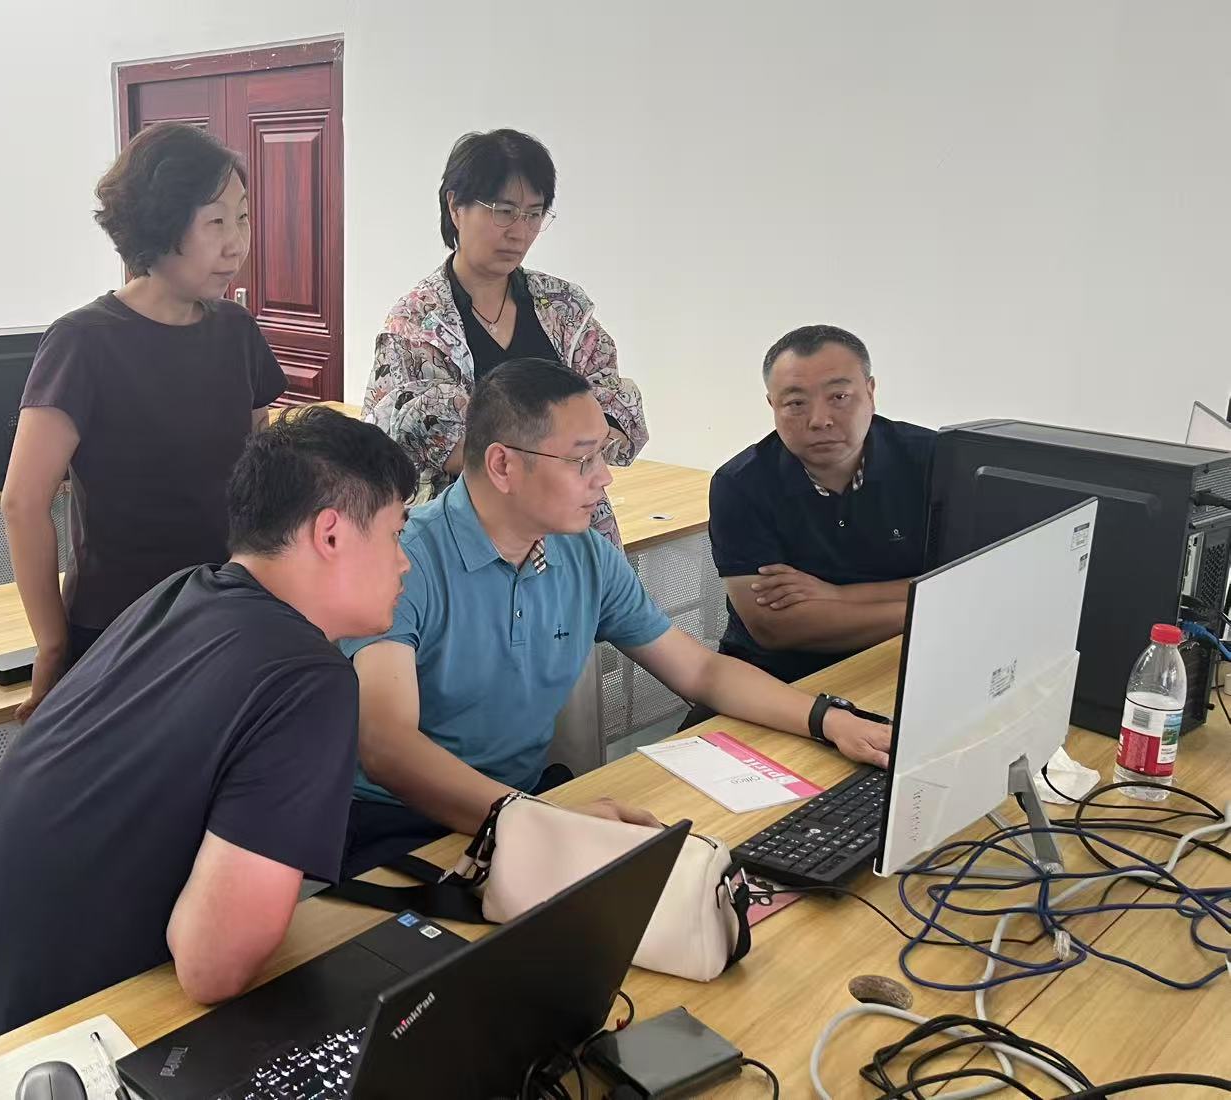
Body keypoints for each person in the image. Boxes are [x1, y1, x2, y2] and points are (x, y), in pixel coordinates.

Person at [0, 409, 415, 1063]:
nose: (405, 562)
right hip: (52, 1055)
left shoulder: (181, 593)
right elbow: (213, 968)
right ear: (330, 534)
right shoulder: (309, 680)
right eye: (395, 533)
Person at [341, 359, 892, 876]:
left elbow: (701, 671)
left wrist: (830, 720)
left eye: (603, 455)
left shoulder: (583, 555)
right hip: (400, 823)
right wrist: (539, 821)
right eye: (583, 460)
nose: (604, 478)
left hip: (522, 805)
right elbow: (388, 746)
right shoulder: (405, 560)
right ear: (503, 465)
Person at [3, 122, 286, 720]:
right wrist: (52, 643)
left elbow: (257, 473)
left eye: (243, 218)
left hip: (224, 616)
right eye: (216, 222)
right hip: (119, 631)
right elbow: (22, 503)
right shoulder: (84, 341)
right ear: (160, 225)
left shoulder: (236, 332)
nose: (237, 244)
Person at [363, 128, 647, 546]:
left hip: (574, 531)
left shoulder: (563, 307)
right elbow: (422, 438)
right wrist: (570, 446)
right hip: (463, 540)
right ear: (455, 206)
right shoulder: (417, 323)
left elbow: (614, 410)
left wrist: (551, 448)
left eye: (534, 214)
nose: (520, 231)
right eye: (504, 211)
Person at [708, 324, 937, 685]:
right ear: (772, 405)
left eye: (839, 397)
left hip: (908, 660)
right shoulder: (740, 484)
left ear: (870, 392)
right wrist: (925, 610)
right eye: (796, 403)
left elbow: (965, 583)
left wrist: (837, 595)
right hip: (775, 677)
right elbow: (775, 626)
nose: (820, 420)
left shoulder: (933, 460)